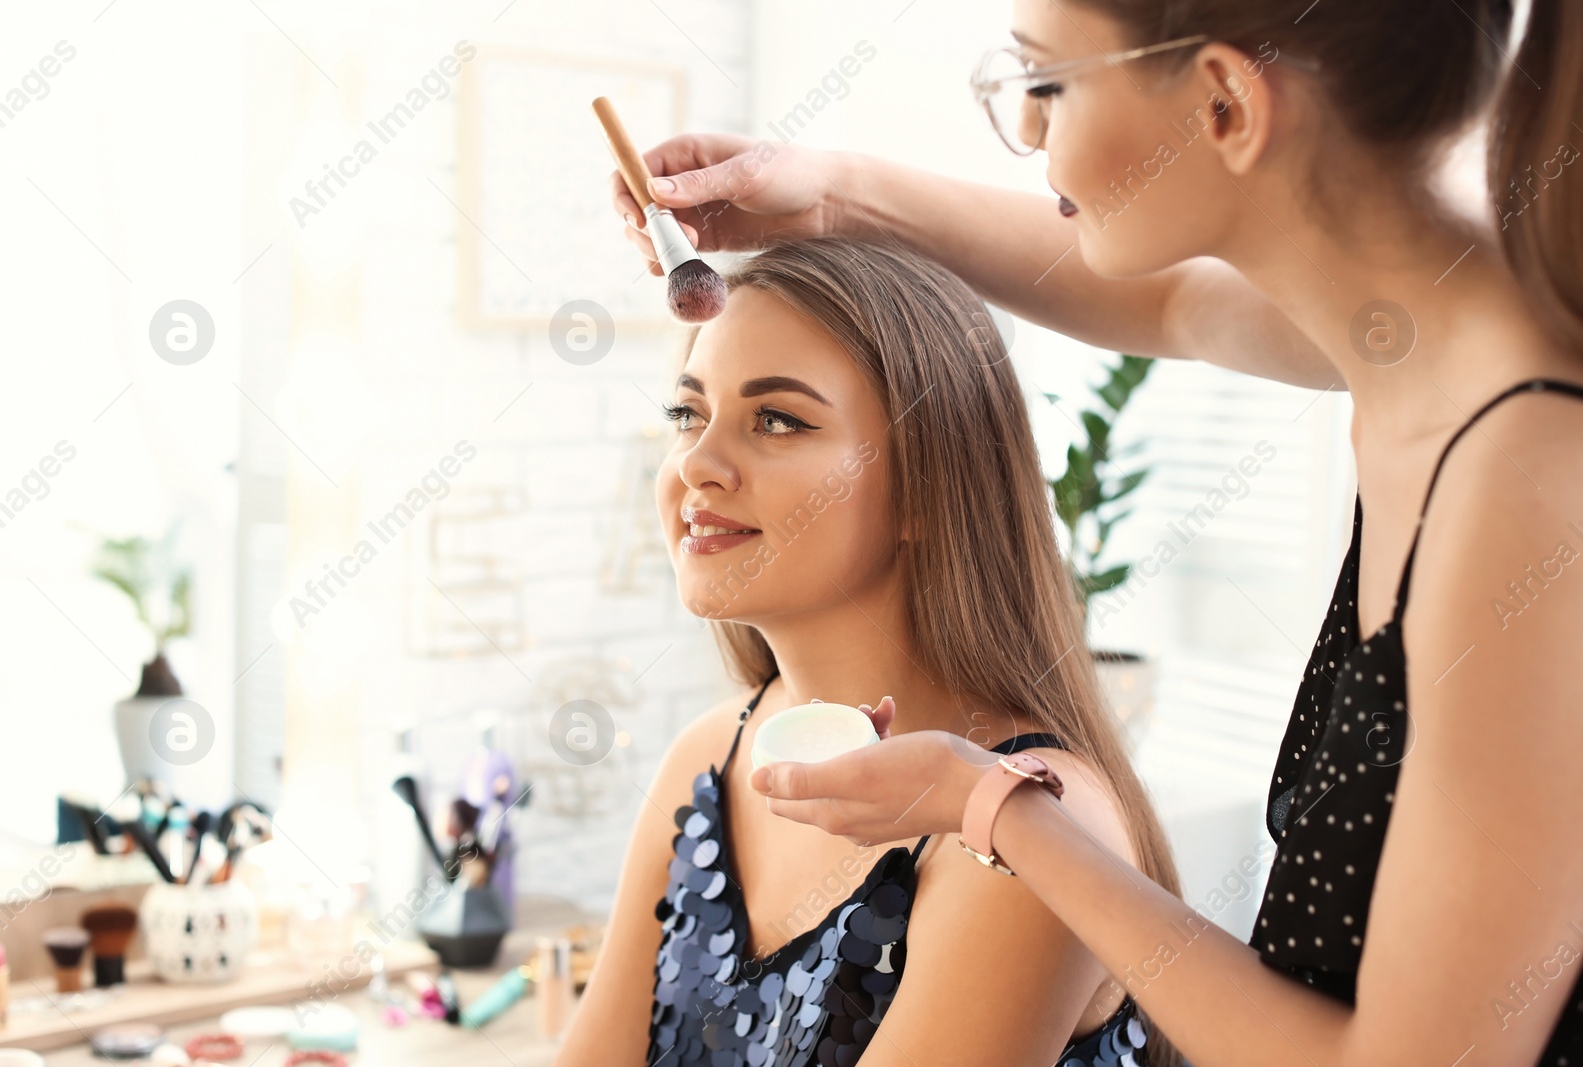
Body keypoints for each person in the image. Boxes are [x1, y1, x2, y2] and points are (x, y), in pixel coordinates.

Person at [614, 1, 1583, 1064]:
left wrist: (999, 812)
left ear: (1222, 103)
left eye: (1047, 81)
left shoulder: (1532, 469)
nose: (1028, 128)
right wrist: (825, 194)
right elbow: (1164, 304)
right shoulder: (1423, 335)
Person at [552, 237, 1182, 1066]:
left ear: (928, 482)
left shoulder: (1032, 829)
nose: (696, 463)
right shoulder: (710, 757)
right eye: (687, 414)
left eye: (776, 419)